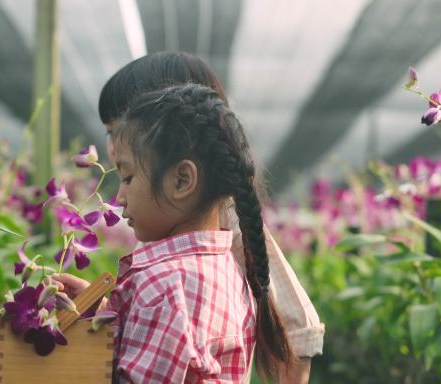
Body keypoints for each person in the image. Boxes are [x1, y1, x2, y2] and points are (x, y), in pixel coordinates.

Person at [54, 52, 324, 383]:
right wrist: (107, 310)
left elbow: (298, 327)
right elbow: (173, 336)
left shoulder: (220, 230)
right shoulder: (196, 253)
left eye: (118, 127)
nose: (110, 147)